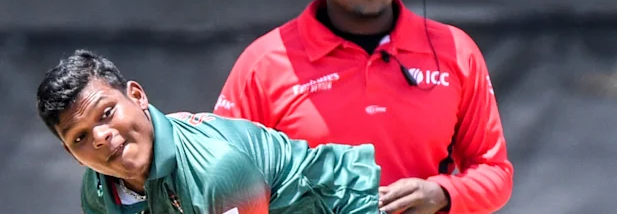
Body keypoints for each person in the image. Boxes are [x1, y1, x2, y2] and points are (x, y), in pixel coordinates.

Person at [212, 0, 513, 214]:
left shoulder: (456, 51)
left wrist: (442, 192)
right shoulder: (264, 62)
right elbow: (219, 177)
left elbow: (495, 172)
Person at [36, 49, 383, 214]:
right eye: (79, 137)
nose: (99, 137)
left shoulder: (217, 168)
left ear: (138, 96)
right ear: (72, 155)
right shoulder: (98, 193)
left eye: (107, 113)